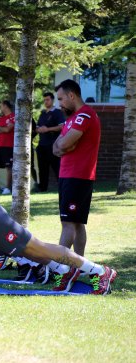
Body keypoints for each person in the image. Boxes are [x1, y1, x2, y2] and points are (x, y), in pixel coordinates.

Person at [53, 79, 101, 265]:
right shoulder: (71, 119)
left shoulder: (85, 115)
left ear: (71, 95)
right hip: (68, 175)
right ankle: (80, 266)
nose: (60, 103)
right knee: (77, 222)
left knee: (68, 223)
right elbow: (56, 149)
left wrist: (64, 144)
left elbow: (62, 144)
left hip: (78, 176)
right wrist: (64, 145)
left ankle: (60, 267)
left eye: (61, 99)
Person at [35, 92, 65, 192]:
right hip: (42, 145)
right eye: (44, 100)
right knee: (42, 169)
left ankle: (62, 187)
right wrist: (40, 129)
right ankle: (42, 188)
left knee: (57, 168)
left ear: (52, 100)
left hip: (53, 145)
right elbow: (37, 127)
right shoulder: (43, 113)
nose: (45, 102)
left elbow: (62, 126)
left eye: (47, 100)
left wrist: (48, 129)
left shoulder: (57, 112)